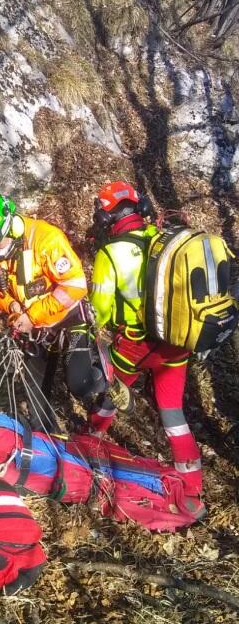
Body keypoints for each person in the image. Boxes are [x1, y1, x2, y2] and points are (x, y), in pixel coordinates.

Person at [86, 181, 202, 494]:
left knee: (110, 394)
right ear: (142, 208)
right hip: (176, 342)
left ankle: (88, 443)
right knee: (172, 411)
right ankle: (191, 482)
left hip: (134, 345)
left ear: (107, 218)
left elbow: (100, 308)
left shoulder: (110, 254)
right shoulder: (164, 239)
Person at [0, 192, 107, 434]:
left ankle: (105, 378)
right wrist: (11, 305)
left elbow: (75, 285)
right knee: (34, 388)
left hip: (67, 318)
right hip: (34, 328)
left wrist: (33, 316)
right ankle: (47, 436)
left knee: (80, 384)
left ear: (8, 229)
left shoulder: (45, 240)